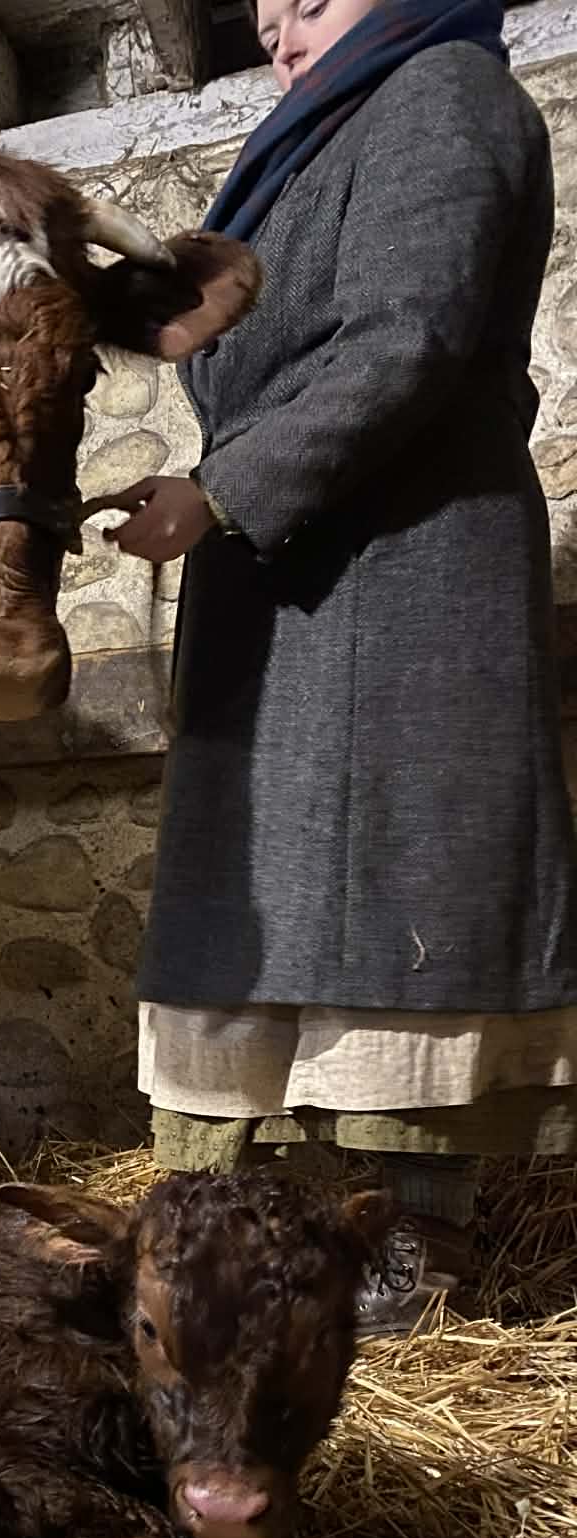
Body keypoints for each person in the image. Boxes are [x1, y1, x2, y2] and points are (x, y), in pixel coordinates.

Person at [104, 0, 577, 1332]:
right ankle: (209, 1236)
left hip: (401, 577)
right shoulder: (312, 144)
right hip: (296, 569)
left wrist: (222, 490)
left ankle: (409, 1251)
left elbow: (404, 338)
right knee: (258, 894)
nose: (274, 21)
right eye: (262, 2)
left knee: (399, 893)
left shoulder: (442, 93)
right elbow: (298, 363)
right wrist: (210, 466)